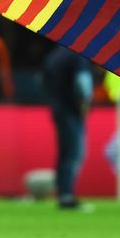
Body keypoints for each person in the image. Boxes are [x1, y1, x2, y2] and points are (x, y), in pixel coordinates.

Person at [41, 45, 92, 210]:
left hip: (58, 107)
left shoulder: (55, 55)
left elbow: (42, 81)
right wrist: (84, 105)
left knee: (64, 154)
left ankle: (63, 193)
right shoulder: (78, 55)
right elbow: (82, 83)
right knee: (75, 153)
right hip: (71, 110)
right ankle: (67, 196)